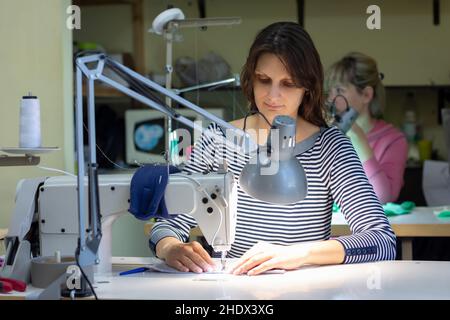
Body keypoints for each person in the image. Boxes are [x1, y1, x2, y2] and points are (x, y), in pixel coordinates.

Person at [149, 22, 396, 275]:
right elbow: (167, 225)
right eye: (264, 80)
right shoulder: (217, 140)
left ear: (307, 87)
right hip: (235, 290)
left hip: (304, 291)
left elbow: (381, 241)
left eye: (288, 83)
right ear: (250, 79)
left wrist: (299, 253)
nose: (273, 96)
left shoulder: (330, 147)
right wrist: (170, 248)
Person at [325, 52, 408, 204]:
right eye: (330, 91)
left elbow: (383, 198)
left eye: (339, 91)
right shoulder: (326, 136)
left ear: (366, 95)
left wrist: (358, 139)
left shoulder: (394, 141)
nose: (331, 99)